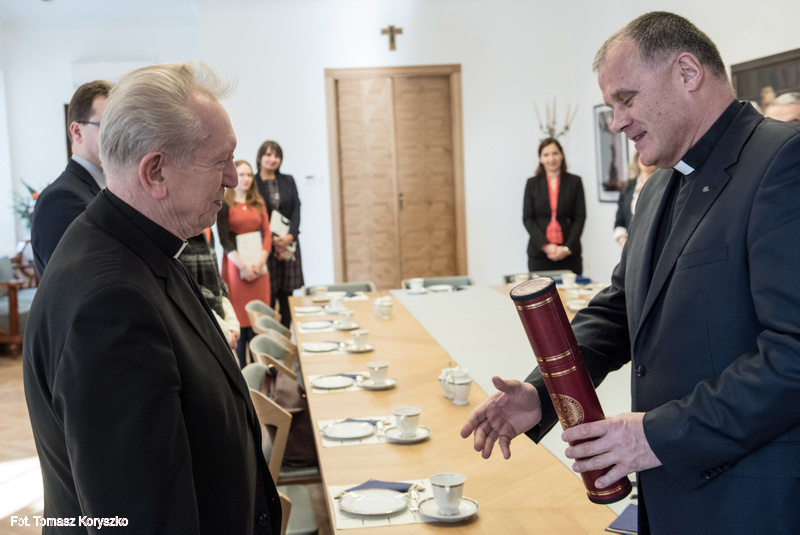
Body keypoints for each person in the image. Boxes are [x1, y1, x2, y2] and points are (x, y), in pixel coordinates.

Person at [462, 11, 800, 534]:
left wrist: (656, 436)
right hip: (668, 498)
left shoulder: (782, 161)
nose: (616, 122)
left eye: (626, 99)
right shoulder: (659, 185)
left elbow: (793, 355)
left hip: (749, 501)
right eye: (611, 106)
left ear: (687, 72)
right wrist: (543, 393)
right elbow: (621, 310)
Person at [23, 62, 281, 534]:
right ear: (156, 172)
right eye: (220, 160)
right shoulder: (112, 304)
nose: (231, 177)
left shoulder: (138, 245)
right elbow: (142, 518)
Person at [31, 80, 112, 277]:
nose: (116, 135)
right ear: (77, 132)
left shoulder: (110, 188)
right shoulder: (61, 199)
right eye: (107, 126)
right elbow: (75, 283)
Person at [217, 160, 272, 368]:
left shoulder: (258, 201)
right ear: (233, 176)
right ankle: (243, 370)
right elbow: (224, 239)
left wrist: (259, 263)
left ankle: (263, 369)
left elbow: (267, 234)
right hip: (236, 267)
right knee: (240, 319)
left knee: (258, 320)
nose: (246, 178)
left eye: (249, 174)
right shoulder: (225, 203)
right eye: (241, 174)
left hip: (259, 267)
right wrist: (243, 267)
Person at [255, 141, 304, 328]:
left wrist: (290, 236)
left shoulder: (288, 180)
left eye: (276, 156)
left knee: (287, 295)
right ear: (260, 157)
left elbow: (296, 209)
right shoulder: (253, 182)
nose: (272, 159)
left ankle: (285, 338)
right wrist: (271, 240)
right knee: (268, 294)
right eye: (268, 155)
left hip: (288, 244)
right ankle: (270, 337)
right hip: (265, 246)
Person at [522, 137, 585, 275]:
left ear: (562, 155)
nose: (551, 159)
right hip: (539, 254)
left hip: (569, 254)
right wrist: (546, 246)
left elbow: (580, 218)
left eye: (555, 153)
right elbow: (528, 218)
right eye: (546, 155)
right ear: (540, 158)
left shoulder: (575, 182)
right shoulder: (532, 184)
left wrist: (567, 248)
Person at [183, 229, 241, 352]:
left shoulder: (204, 233)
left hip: (217, 326)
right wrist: (222, 330)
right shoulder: (180, 239)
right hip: (200, 333)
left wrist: (231, 323)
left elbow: (217, 281)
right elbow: (187, 292)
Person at [613, 151, 656, 248]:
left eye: (650, 154)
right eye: (642, 153)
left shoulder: (664, 187)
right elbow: (619, 223)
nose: (645, 158)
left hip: (651, 247)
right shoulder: (626, 187)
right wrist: (625, 245)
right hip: (628, 248)